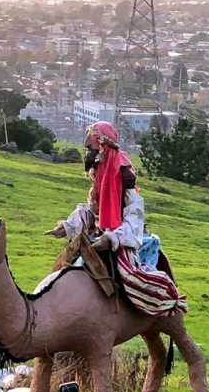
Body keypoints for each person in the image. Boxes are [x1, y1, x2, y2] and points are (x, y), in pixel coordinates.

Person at [47, 122, 186, 316]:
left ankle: (156, 308)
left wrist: (113, 238)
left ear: (103, 144)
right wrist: (69, 227)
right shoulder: (98, 174)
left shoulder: (123, 178)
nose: (87, 143)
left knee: (131, 278)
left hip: (120, 238)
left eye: (92, 138)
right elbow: (91, 211)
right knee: (63, 268)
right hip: (95, 236)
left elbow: (134, 216)